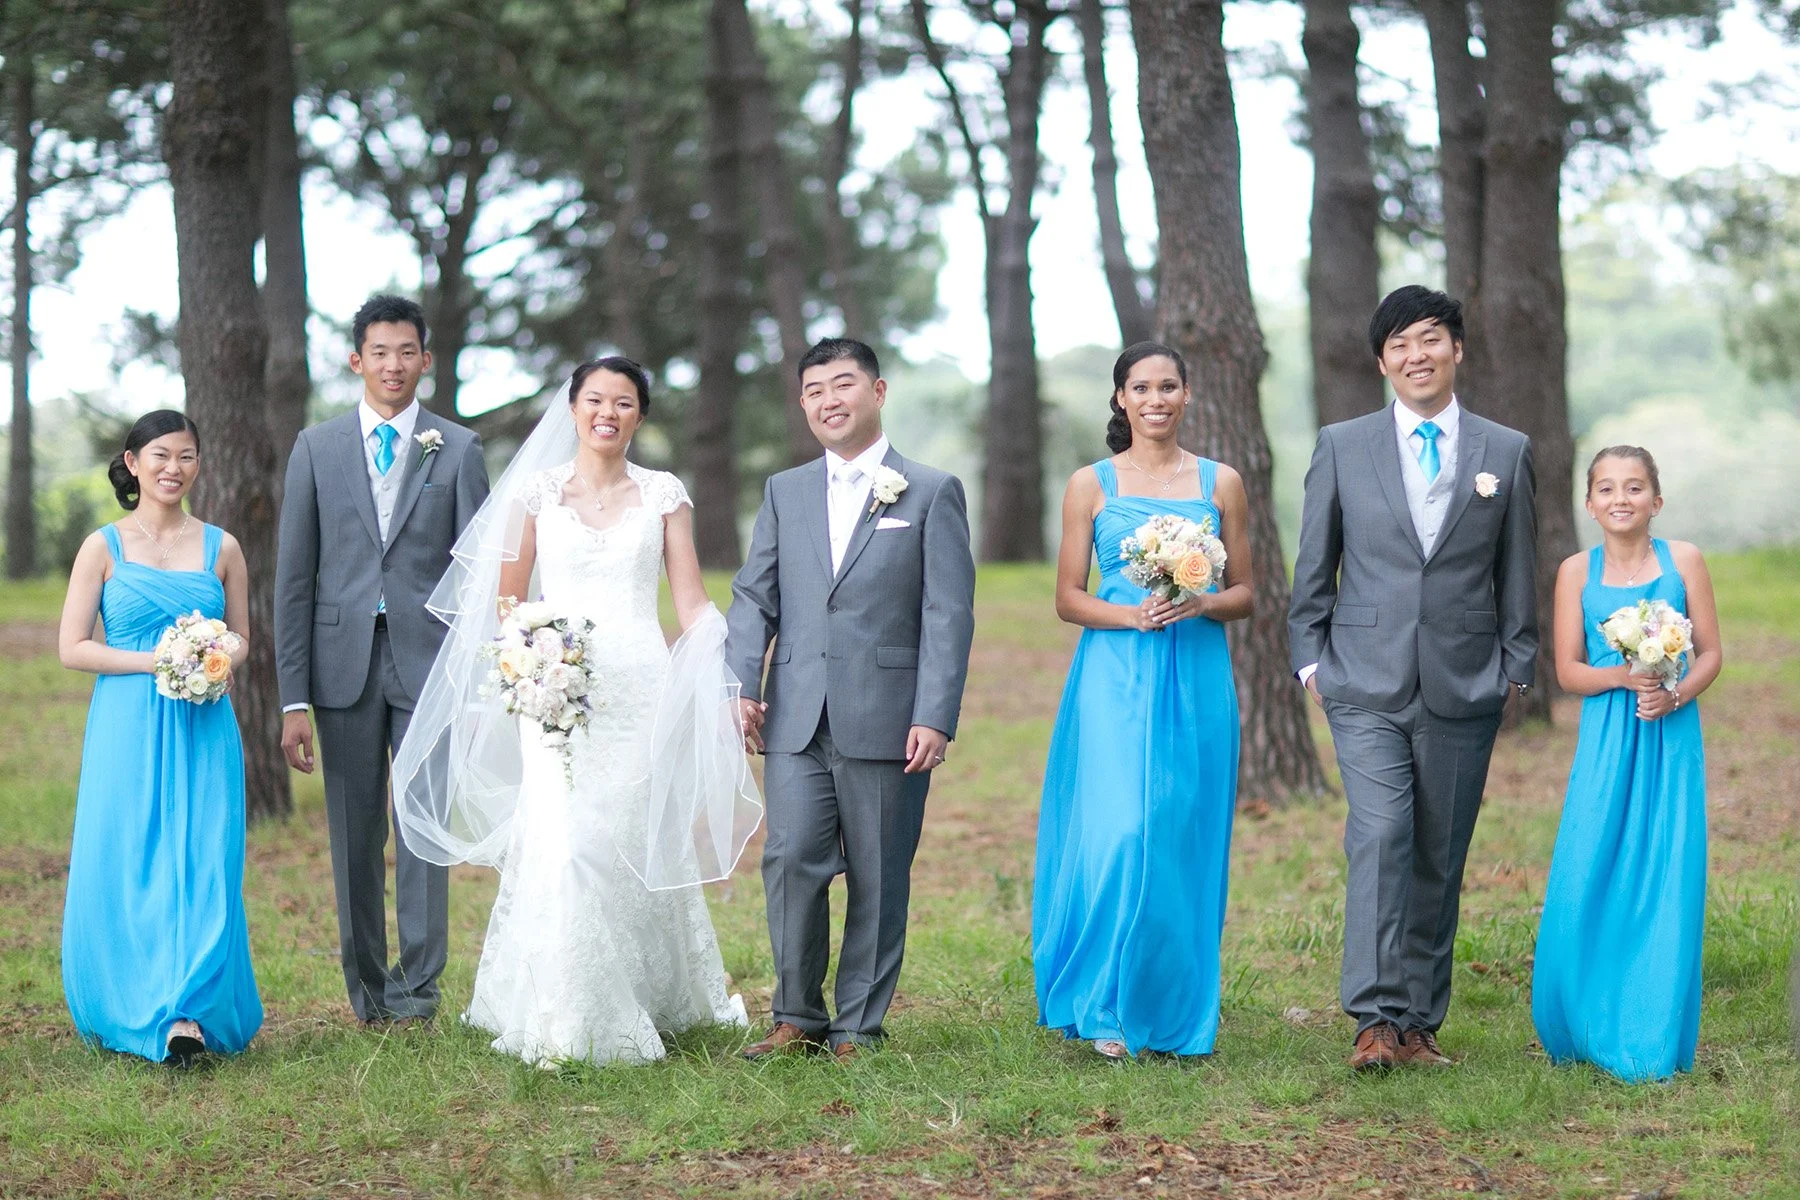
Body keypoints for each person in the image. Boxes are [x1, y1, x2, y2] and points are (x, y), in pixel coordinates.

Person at [390, 357, 762, 1065]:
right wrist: (532, 656)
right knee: (566, 842)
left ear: (640, 416)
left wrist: (721, 677)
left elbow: (689, 602)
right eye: (595, 399)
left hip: (640, 692)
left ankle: (649, 991)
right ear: (573, 408)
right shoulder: (535, 494)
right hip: (555, 692)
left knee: (626, 839)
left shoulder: (664, 495)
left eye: (623, 402)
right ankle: (569, 1012)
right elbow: (507, 600)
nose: (607, 413)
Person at [1288, 285, 1538, 1071]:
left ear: (1456, 349)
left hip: (1465, 680)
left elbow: (1517, 569)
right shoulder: (1342, 444)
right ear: (1381, 363)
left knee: (1439, 850)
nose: (1415, 355)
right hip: (1361, 680)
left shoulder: (1505, 451)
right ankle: (1372, 1018)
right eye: (1398, 344)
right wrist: (1310, 660)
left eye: (1429, 338)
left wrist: (1515, 669)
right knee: (1382, 833)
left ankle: (1419, 1021)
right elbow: (1314, 561)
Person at [725, 337, 976, 1061]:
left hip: (890, 716)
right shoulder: (785, 491)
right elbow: (754, 596)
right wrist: (740, 684)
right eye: (814, 390)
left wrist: (934, 713)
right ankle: (796, 1017)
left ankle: (858, 1026)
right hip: (795, 714)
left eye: (843, 384)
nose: (828, 401)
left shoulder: (930, 490)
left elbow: (947, 614)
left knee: (878, 872)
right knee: (790, 859)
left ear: (878, 391)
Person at [1032, 343, 1253, 1060]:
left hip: (1196, 674)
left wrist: (1203, 601)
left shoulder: (1222, 482)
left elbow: (1248, 593)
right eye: (1141, 388)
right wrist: (1130, 615)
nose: (1155, 399)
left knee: (1179, 834)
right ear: (1121, 399)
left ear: (1187, 395)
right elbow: (1068, 598)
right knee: (1122, 830)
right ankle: (1104, 1003)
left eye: (1168, 386)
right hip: (1114, 675)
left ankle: (1168, 1000)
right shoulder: (1089, 485)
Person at [275, 295, 490, 1026]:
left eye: (406, 352)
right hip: (340, 667)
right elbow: (294, 578)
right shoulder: (316, 447)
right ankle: (367, 991)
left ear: (425, 359)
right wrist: (293, 699)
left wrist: (474, 680)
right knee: (353, 833)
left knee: (423, 827)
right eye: (379, 352)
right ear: (355, 360)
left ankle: (417, 991)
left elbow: (477, 575)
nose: (392, 365)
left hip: (430, 666)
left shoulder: (458, 448)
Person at [57, 410, 262, 1065]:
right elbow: (73, 647)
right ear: (133, 463)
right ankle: (131, 1002)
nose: (175, 468)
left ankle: (188, 1014)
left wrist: (214, 653)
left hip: (204, 725)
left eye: (187, 456)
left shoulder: (222, 548)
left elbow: (242, 637)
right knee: (130, 858)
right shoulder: (102, 547)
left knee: (204, 860)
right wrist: (159, 661)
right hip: (126, 723)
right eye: (162, 455)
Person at [1531, 447, 1719, 1081]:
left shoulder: (1684, 561)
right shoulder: (1574, 572)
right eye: (1607, 488)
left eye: (1635, 487)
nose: (1621, 498)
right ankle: (1578, 1018)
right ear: (1589, 503)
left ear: (1656, 500)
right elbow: (1567, 670)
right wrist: (1624, 675)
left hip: (1670, 733)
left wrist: (1675, 693)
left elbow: (1711, 654)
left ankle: (1651, 1027)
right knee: (1590, 863)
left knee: (1667, 867)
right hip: (1609, 735)